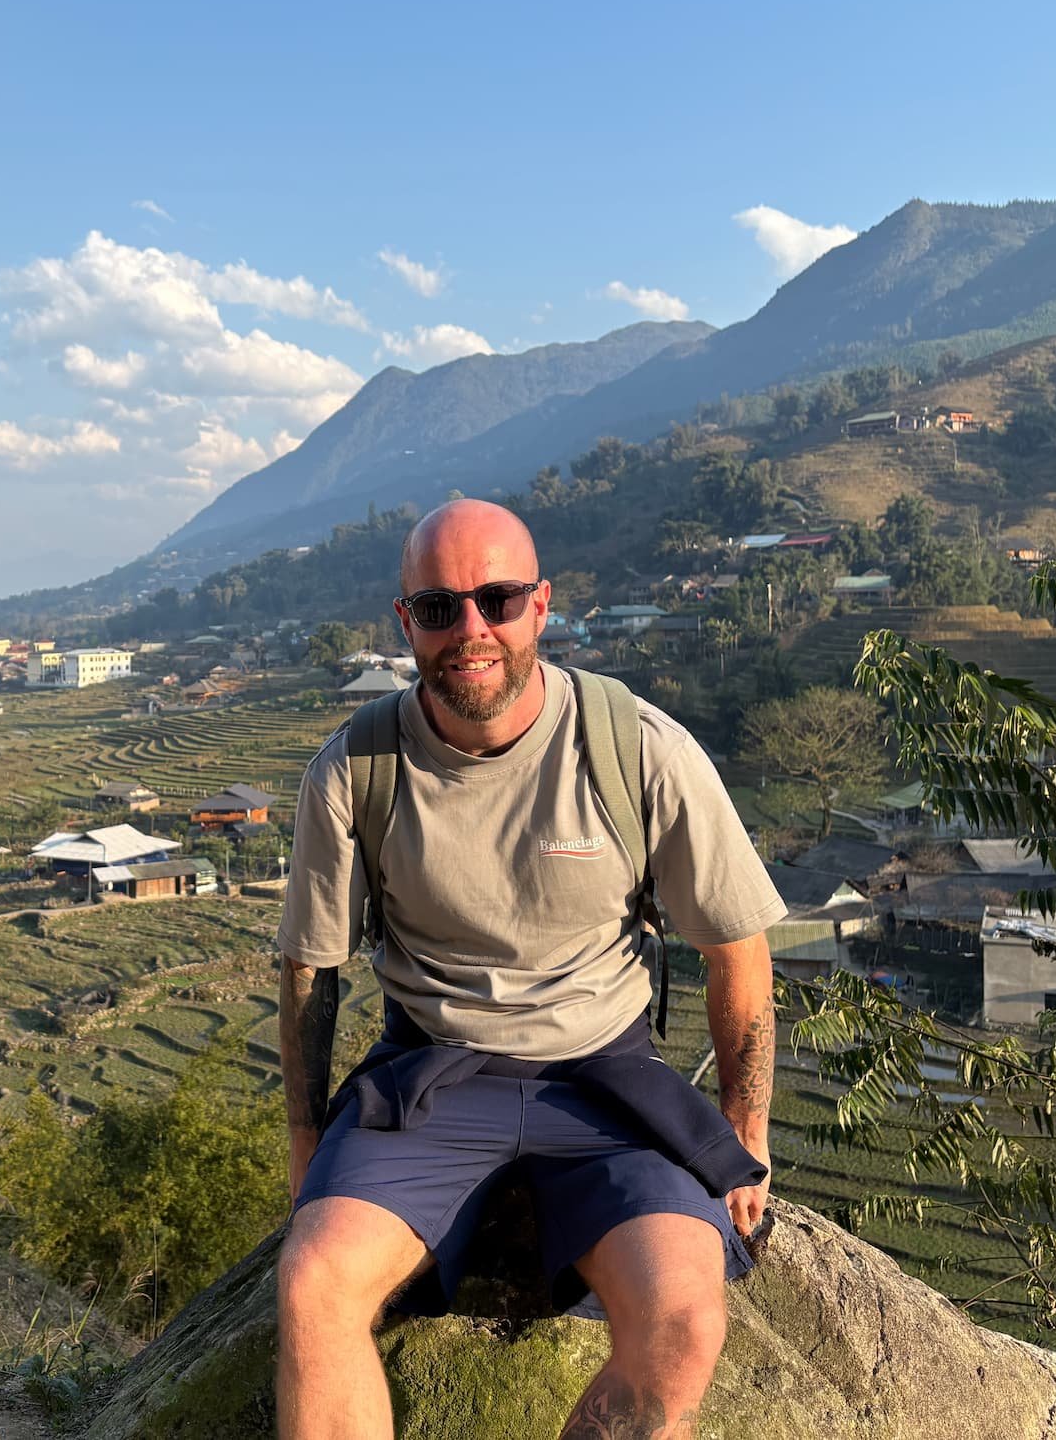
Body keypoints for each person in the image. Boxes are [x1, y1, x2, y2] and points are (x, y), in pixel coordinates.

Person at [274, 499, 785, 1440]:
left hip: (607, 1081)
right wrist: (308, 1141)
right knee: (313, 1284)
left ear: (542, 606)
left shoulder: (634, 749)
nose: (470, 630)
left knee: (682, 1318)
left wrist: (743, 1129)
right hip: (428, 1078)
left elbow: (736, 948)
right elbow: (312, 969)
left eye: (496, 599)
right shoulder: (356, 769)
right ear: (405, 623)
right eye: (438, 608)